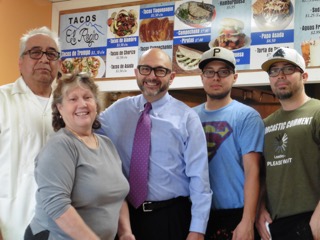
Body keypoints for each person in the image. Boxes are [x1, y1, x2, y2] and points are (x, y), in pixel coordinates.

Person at [98, 48, 212, 240]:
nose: (151, 76)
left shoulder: (187, 118)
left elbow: (199, 179)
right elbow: (85, 132)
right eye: (145, 69)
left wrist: (197, 230)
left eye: (160, 70)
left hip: (170, 217)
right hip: (125, 219)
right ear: (136, 72)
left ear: (172, 76)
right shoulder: (118, 110)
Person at [24, 73, 135, 240]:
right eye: (73, 99)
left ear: (96, 105)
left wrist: (125, 232)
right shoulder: (60, 146)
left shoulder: (107, 144)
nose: (82, 104)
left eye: (87, 97)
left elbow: (117, 196)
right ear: (60, 108)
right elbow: (57, 206)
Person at [193, 47, 264, 240]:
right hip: (198, 217)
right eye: (209, 72)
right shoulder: (189, 117)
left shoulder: (247, 116)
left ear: (235, 77)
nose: (216, 77)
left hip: (236, 215)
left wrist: (247, 221)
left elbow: (253, 171)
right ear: (202, 77)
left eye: (224, 72)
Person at [0, 26, 61, 240]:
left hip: (62, 225)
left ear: (58, 63)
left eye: (51, 54)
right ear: (20, 61)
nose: (44, 59)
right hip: (13, 225)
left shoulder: (71, 105)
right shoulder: (2, 100)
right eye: (35, 52)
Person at [255, 47, 320, 240]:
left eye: (288, 69)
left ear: (304, 76)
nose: (280, 75)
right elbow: (264, 175)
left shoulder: (316, 112)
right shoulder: (266, 124)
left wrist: (317, 221)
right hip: (276, 224)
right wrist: (260, 208)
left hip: (312, 219)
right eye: (273, 71)